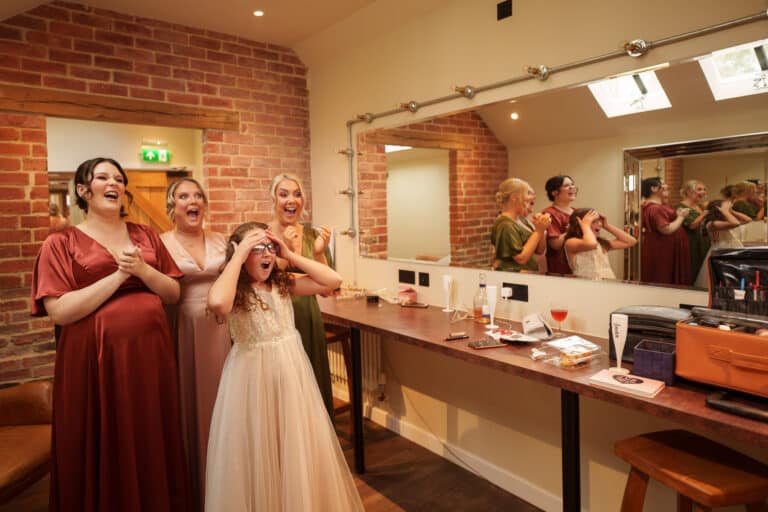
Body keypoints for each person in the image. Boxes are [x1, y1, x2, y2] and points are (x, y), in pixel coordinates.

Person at [30, 157, 189, 511]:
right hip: (93, 360)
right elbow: (60, 310)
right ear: (84, 191)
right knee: (102, 437)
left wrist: (143, 271)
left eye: (118, 177)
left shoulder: (145, 235)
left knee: (147, 433)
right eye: (102, 177)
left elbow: (173, 294)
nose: (113, 182)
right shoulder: (60, 243)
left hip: (149, 356)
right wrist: (118, 276)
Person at [205, 221, 363, 512]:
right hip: (251, 380)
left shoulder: (282, 283)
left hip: (291, 374)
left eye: (269, 248)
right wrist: (238, 256)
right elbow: (217, 303)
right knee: (259, 449)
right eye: (257, 249)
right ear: (240, 255)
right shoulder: (235, 292)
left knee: (292, 445)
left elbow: (332, 280)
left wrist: (289, 254)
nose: (265, 254)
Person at [160, 177, 230, 511]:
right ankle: (195, 487)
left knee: (226, 402)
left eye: (198, 195)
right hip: (183, 332)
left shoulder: (222, 241)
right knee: (190, 404)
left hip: (224, 332)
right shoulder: (160, 244)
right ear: (171, 207)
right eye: (184, 196)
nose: (193, 201)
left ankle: (230, 482)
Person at [268, 173, 334, 416]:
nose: (291, 200)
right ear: (273, 199)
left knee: (312, 387)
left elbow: (328, 289)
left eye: (297, 194)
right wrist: (286, 253)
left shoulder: (311, 235)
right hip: (277, 323)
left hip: (308, 319)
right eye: (283, 194)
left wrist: (318, 254)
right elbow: (263, 281)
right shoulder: (264, 236)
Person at [490, 177, 551, 272]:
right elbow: (521, 258)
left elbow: (539, 250)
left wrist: (541, 229)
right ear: (514, 197)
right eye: (527, 193)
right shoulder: (505, 224)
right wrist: (538, 231)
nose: (530, 198)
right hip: (513, 277)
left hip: (528, 274)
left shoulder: (521, 219)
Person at [639, 177, 691, 286]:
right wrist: (681, 217)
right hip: (663, 248)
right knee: (663, 276)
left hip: (663, 246)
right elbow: (666, 229)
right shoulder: (655, 208)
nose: (665, 186)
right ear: (653, 188)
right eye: (662, 184)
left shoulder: (654, 206)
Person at [563, 208, 637, 280]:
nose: (600, 224)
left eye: (600, 221)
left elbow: (631, 241)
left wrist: (607, 226)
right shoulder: (571, 242)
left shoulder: (601, 244)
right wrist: (585, 225)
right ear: (580, 224)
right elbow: (591, 244)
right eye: (594, 221)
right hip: (585, 287)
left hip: (606, 285)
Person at [694, 199, 752, 288]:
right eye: (726, 208)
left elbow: (748, 219)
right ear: (719, 209)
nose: (728, 209)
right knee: (722, 279)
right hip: (722, 251)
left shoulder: (725, 221)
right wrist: (725, 210)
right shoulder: (712, 223)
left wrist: (732, 211)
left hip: (733, 250)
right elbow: (735, 223)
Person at [541, 175, 577, 275]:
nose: (572, 187)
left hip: (579, 264)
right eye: (566, 185)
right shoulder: (549, 213)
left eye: (572, 184)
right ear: (554, 192)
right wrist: (574, 227)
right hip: (560, 267)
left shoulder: (577, 212)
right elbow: (555, 244)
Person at [677, 179, 710, 284]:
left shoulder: (700, 207)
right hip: (691, 243)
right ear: (688, 192)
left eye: (704, 189)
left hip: (704, 241)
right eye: (699, 189)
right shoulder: (681, 207)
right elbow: (692, 225)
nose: (703, 192)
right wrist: (704, 214)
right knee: (693, 269)